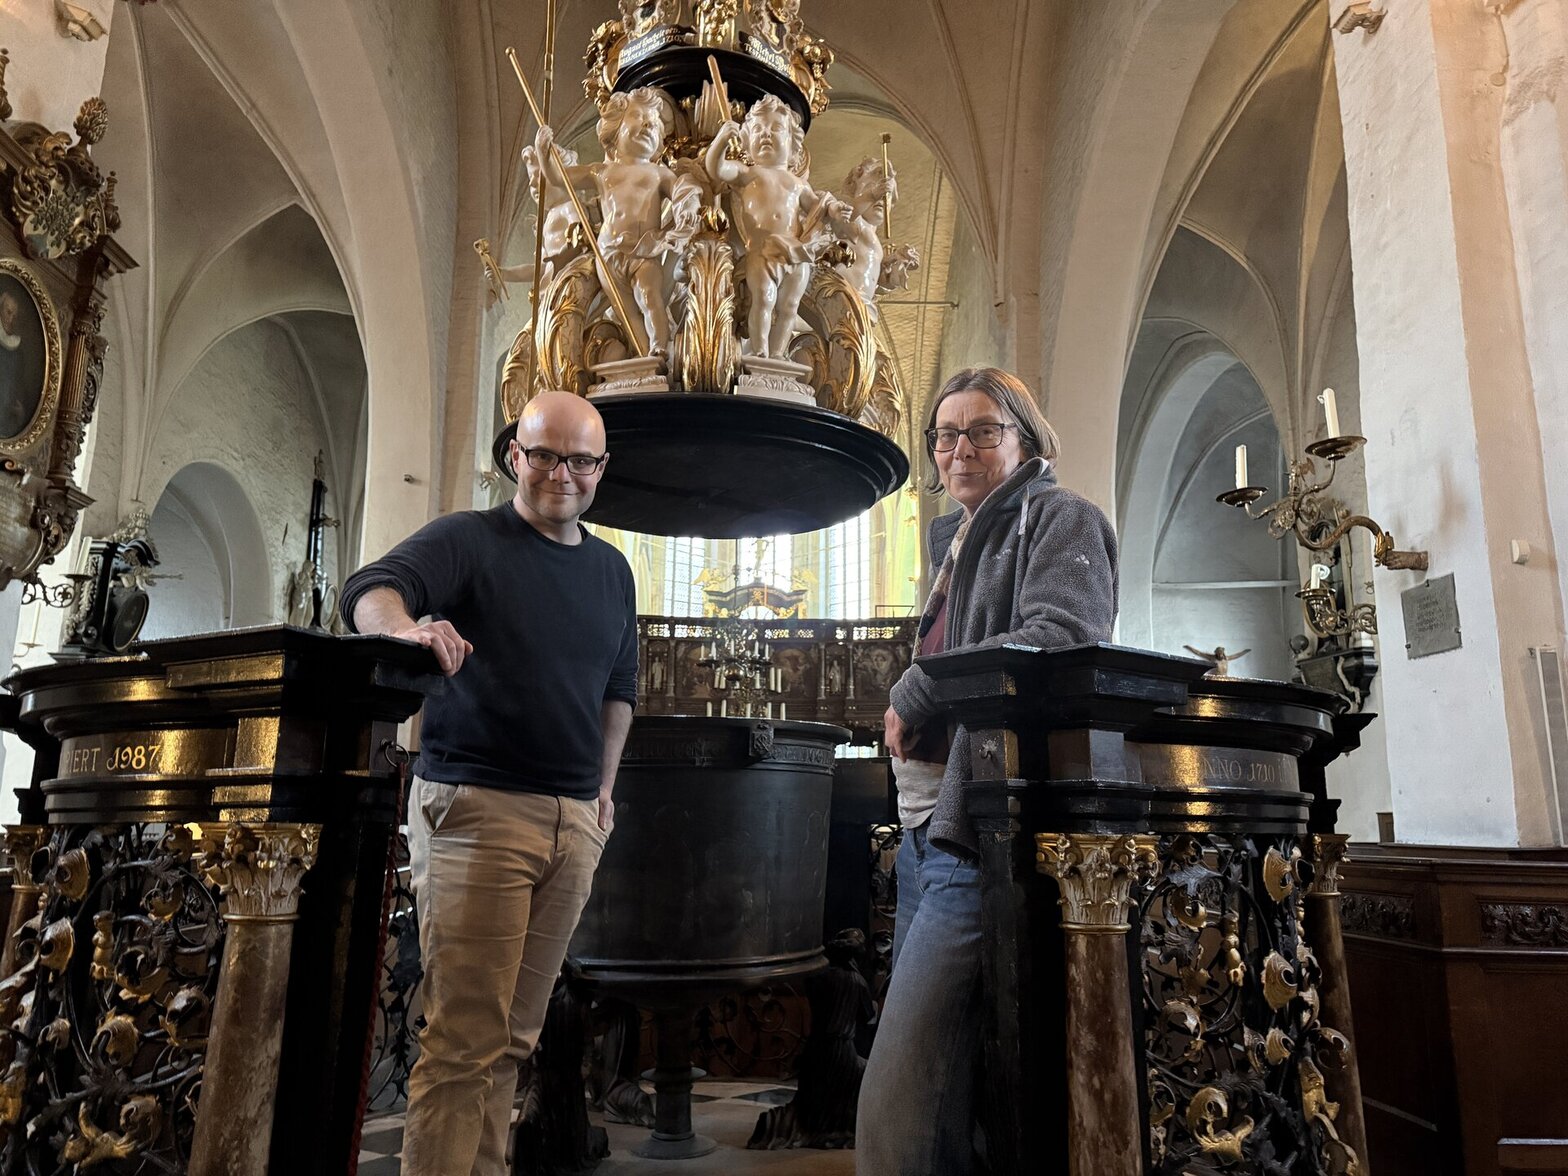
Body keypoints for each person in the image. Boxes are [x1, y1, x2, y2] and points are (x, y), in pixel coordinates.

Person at [341, 390, 637, 1176]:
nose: (562, 475)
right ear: (516, 456)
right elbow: (370, 589)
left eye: (580, 460)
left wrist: (602, 795)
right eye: (545, 455)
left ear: (601, 468)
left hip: (573, 823)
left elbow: (620, 690)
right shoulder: (468, 540)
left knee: (513, 1040)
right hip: (479, 809)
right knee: (463, 1042)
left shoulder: (613, 571)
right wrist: (407, 627)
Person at [856, 367, 1118, 1176]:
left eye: (981, 431)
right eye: (944, 434)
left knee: (897, 1106)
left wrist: (917, 684)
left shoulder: (1059, 518)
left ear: (1026, 440)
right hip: (927, 832)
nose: (957, 447)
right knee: (951, 1095)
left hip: (978, 840)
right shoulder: (961, 540)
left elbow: (1060, 634)